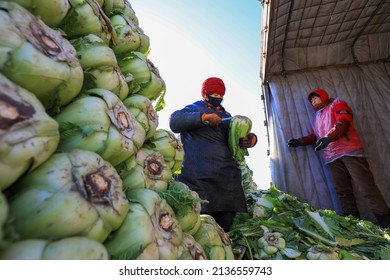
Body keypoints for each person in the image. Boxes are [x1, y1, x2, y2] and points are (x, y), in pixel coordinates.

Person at [287, 88, 390, 228]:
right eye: (311, 100)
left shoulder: (337, 104)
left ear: (323, 96)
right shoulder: (317, 117)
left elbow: (343, 122)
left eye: (315, 98)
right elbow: (315, 136)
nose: (313, 101)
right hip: (331, 157)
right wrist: (300, 141)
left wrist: (329, 138)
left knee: (366, 187)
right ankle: (354, 226)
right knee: (343, 191)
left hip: (350, 151)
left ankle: (386, 223)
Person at [169, 77, 257, 232]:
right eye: (213, 94)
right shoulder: (193, 108)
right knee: (200, 228)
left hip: (226, 181)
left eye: (219, 94)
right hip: (199, 178)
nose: (216, 97)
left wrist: (251, 140)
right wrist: (202, 118)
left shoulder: (228, 116)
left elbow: (237, 142)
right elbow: (175, 121)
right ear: (205, 94)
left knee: (226, 230)